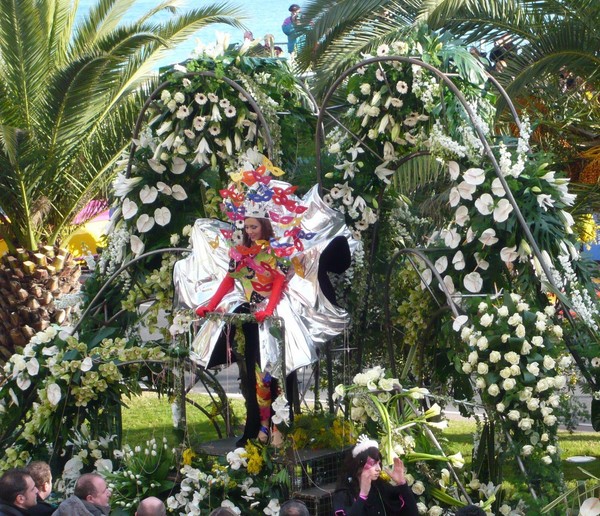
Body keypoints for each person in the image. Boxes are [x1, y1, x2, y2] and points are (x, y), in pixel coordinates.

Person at [174, 163, 357, 446]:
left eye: (254, 225)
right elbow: (228, 279)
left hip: (274, 314)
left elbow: (277, 282)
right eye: (247, 226)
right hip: (250, 313)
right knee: (252, 370)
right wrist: (209, 305)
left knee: (277, 369)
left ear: (264, 226)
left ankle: (279, 427)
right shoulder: (239, 252)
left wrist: (270, 309)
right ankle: (256, 427)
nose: (251, 230)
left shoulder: (273, 252)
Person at [332, 436, 419, 516]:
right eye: (373, 464)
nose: (378, 469)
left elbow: (412, 513)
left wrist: (402, 484)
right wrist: (363, 496)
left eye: (379, 463)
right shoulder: (344, 494)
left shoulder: (380, 487)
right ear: (359, 465)